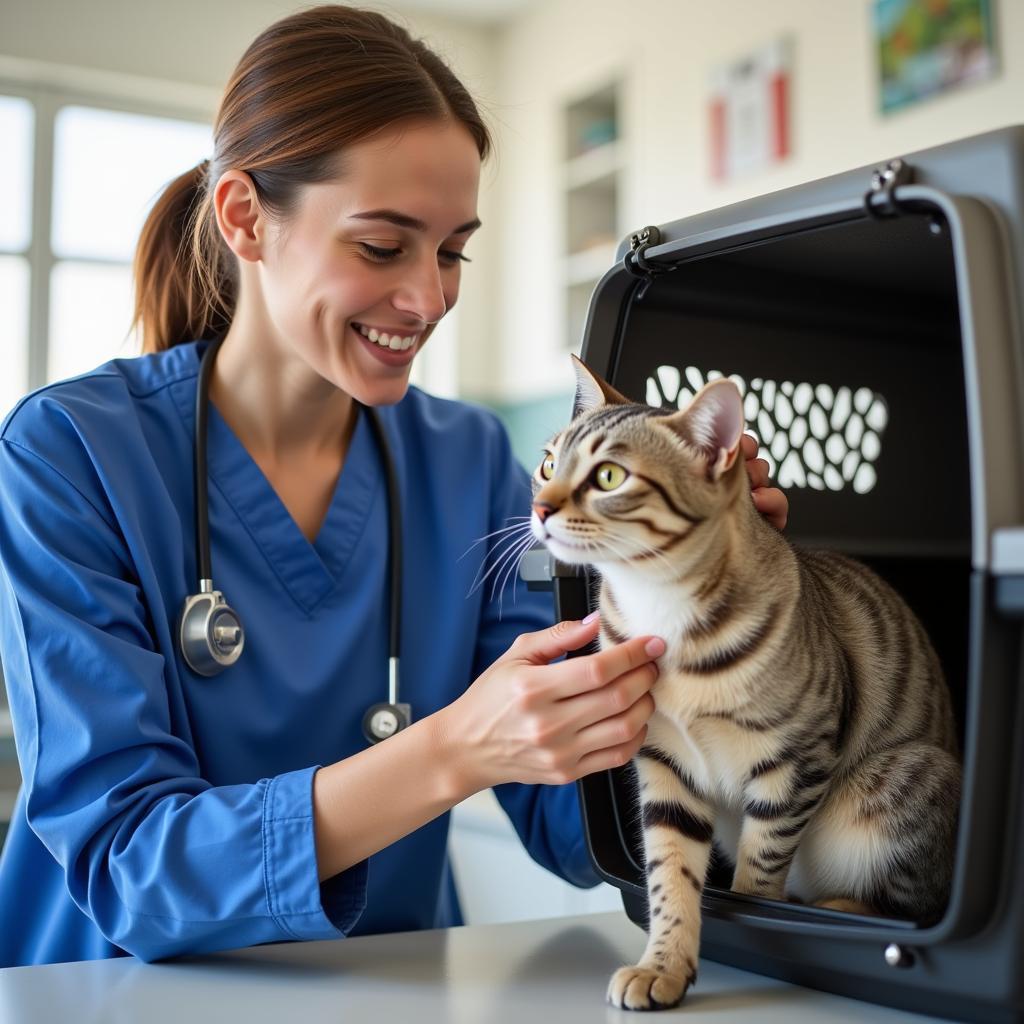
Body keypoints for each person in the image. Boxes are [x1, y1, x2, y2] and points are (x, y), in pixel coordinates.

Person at [0, 5, 788, 968]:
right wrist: (453, 751)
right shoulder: (70, 452)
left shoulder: (466, 460)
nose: (429, 298)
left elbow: (573, 824)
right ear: (246, 217)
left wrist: (697, 597)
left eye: (453, 250)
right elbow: (128, 866)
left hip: (384, 989)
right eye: (383, 246)